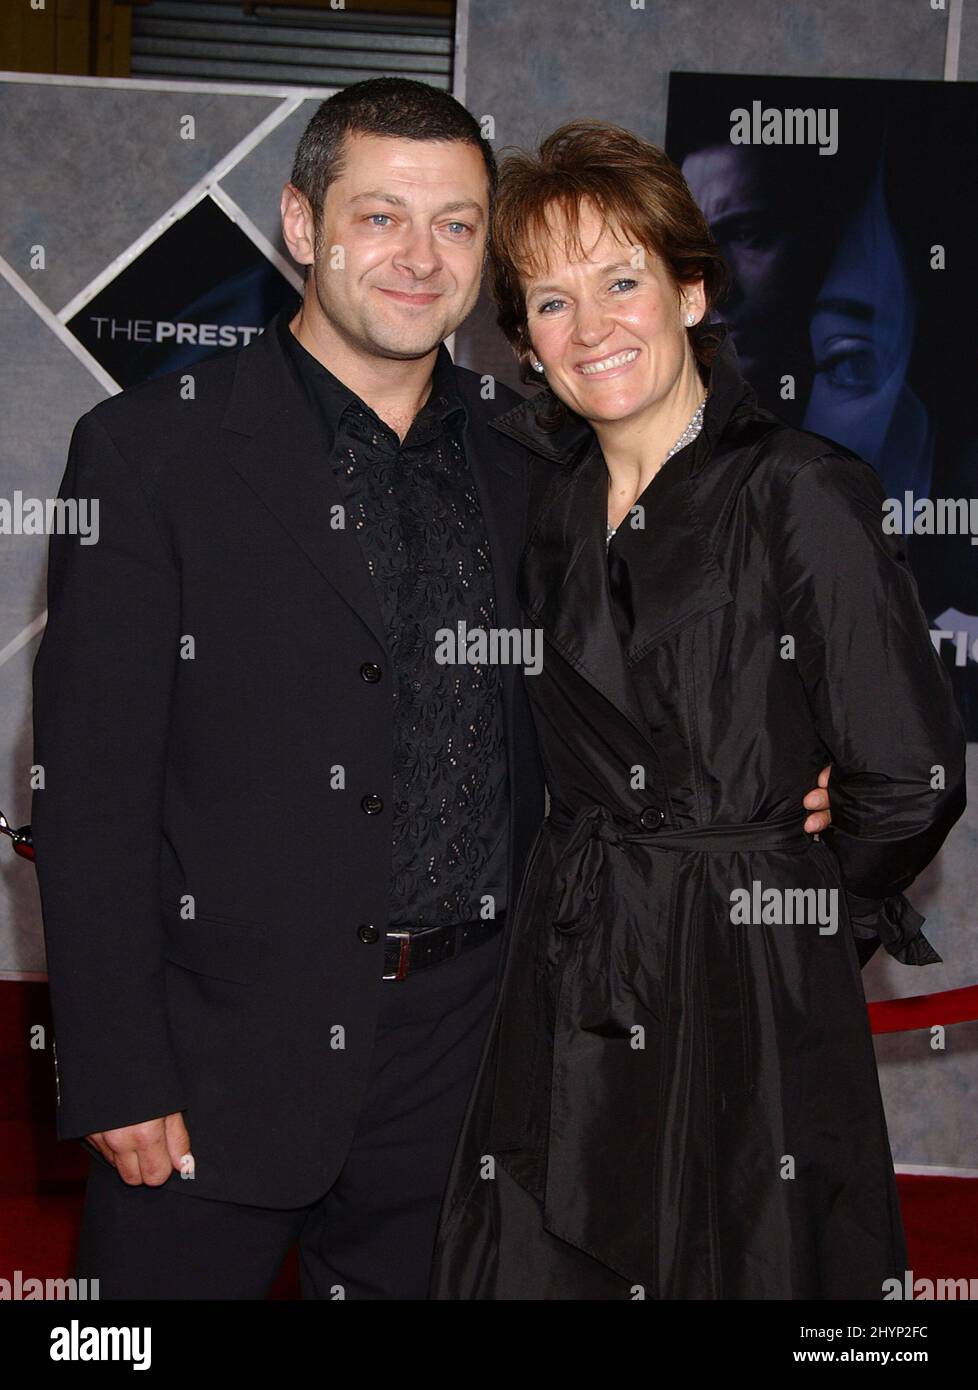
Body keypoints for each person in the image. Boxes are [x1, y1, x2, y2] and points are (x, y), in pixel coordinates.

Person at [31, 81, 831, 1301]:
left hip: (471, 1059)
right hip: (215, 1062)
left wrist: (780, 775)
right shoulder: (151, 453)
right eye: (382, 216)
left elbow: (634, 674)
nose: (421, 257)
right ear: (302, 225)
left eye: (457, 224)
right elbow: (87, 794)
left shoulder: (535, 456)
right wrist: (115, 1069)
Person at [429, 120, 966, 1300]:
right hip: (570, 964)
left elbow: (910, 773)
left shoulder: (799, 490)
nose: (593, 326)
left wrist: (789, 896)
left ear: (690, 289)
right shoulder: (545, 500)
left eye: (622, 280)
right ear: (525, 339)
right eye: (552, 303)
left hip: (744, 985)